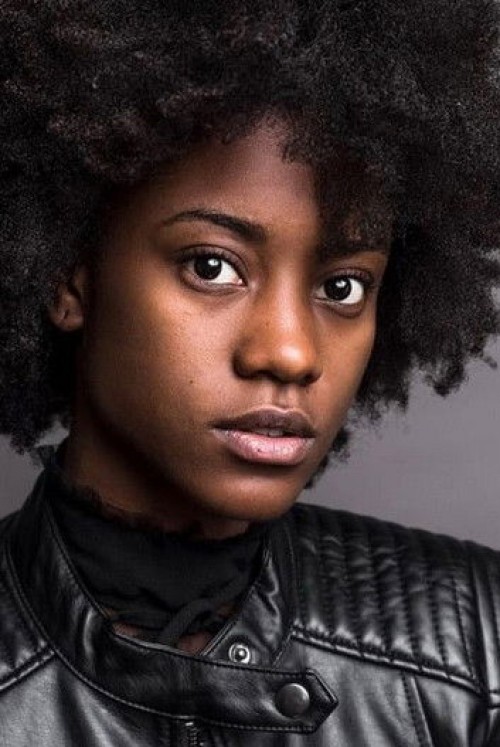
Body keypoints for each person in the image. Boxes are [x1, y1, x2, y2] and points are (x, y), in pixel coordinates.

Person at [1, 1, 500, 744]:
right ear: (68, 275)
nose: (291, 353)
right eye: (212, 267)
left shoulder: (475, 651)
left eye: (343, 287)